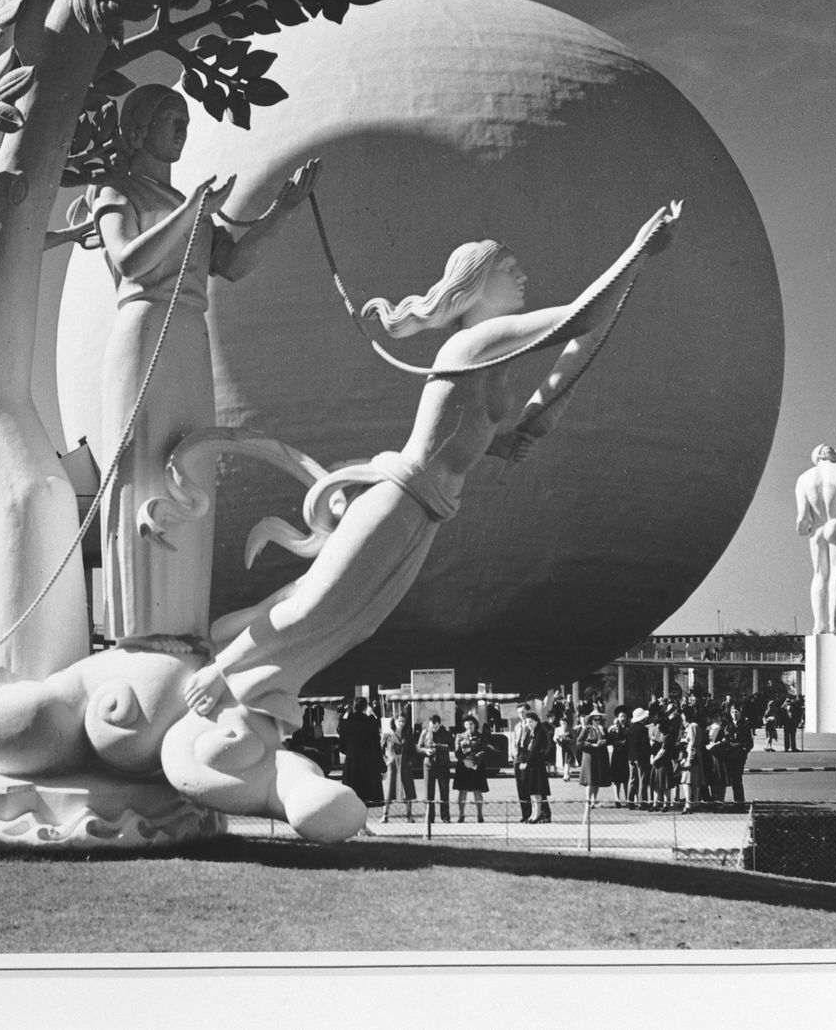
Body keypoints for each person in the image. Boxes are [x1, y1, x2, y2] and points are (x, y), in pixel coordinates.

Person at [180, 207, 683, 746]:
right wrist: (635, 252)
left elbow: (557, 361)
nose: (522, 276)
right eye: (507, 268)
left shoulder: (493, 354)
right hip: (400, 499)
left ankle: (218, 638)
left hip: (426, 511)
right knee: (314, 605)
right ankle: (219, 669)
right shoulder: (475, 342)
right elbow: (578, 319)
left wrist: (514, 437)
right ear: (476, 283)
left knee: (348, 615)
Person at [88, 84, 319, 641]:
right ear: (138, 129)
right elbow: (130, 260)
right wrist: (194, 210)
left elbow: (233, 265)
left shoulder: (193, 207)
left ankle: (184, 619)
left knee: (190, 462)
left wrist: (282, 211)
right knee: (144, 466)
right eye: (171, 118)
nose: (182, 130)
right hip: (145, 327)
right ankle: (140, 628)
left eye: (186, 120)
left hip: (190, 333)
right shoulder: (115, 190)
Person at [795, 443, 836, 635]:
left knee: (819, 574)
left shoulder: (803, 479)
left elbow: (803, 520)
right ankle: (833, 624)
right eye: (831, 449)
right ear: (820, 454)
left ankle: (818, 625)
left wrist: (806, 528)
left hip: (817, 531)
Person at [337, 697, 384, 806]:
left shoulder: (345, 723)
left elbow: (342, 747)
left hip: (351, 764)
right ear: (366, 707)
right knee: (368, 799)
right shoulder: (371, 723)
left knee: (352, 800)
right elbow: (377, 747)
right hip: (368, 765)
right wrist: (381, 764)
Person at [418, 713, 454, 824]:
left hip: (443, 766)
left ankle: (445, 817)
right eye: (431, 726)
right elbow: (418, 747)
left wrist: (438, 746)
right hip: (429, 765)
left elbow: (451, 747)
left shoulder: (446, 733)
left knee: (444, 792)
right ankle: (429, 817)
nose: (433, 728)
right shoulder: (425, 733)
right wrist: (425, 751)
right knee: (429, 793)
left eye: (436, 726)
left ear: (439, 724)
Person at [453, 713, 489, 822]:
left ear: (475, 725)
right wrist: (464, 760)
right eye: (467, 724)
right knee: (462, 791)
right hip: (463, 766)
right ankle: (461, 814)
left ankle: (480, 815)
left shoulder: (480, 736)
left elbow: (483, 750)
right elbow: (457, 752)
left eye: (471, 724)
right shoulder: (459, 736)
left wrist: (475, 761)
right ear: (464, 725)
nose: (469, 726)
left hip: (476, 767)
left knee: (477, 791)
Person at [381, 713, 417, 823]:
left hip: (404, 766)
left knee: (408, 791)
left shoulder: (408, 736)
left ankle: (409, 815)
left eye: (403, 721)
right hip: (392, 766)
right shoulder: (387, 735)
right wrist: (385, 761)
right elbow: (380, 750)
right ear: (394, 722)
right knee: (389, 791)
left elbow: (413, 752)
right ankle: (385, 815)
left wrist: (410, 763)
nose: (401, 723)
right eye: (399, 721)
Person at [577, 710, 610, 807]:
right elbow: (579, 743)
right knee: (590, 779)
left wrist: (604, 733)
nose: (598, 721)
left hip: (601, 756)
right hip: (590, 757)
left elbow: (609, 741)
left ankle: (593, 800)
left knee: (597, 779)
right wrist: (592, 745)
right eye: (595, 719)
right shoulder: (587, 729)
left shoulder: (603, 729)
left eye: (599, 719)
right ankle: (588, 799)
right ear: (591, 720)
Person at [626, 707, 652, 807]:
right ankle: (642, 802)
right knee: (642, 780)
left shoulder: (629, 729)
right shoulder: (643, 729)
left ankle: (630, 801)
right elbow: (646, 745)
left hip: (631, 756)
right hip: (641, 757)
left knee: (632, 779)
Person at [606, 706, 630, 806]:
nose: (623, 718)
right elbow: (609, 740)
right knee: (616, 779)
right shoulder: (613, 729)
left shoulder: (629, 728)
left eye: (624, 716)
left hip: (626, 754)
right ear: (617, 717)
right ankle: (617, 799)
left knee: (626, 778)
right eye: (621, 716)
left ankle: (627, 798)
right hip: (617, 754)